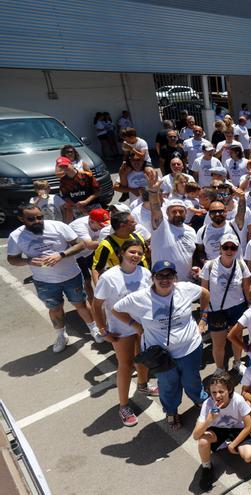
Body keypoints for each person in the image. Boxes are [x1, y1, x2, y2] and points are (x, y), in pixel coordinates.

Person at [112, 260, 210, 430]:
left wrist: (203, 319)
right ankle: (171, 411)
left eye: (169, 275)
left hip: (190, 348)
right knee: (167, 385)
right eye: (160, 275)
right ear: (153, 277)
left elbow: (205, 293)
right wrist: (136, 326)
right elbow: (116, 309)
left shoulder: (185, 289)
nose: (165, 279)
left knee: (192, 380)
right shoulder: (140, 298)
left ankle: (200, 401)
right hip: (161, 356)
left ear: (175, 277)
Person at [7, 204, 100, 352]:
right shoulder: (16, 236)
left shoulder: (58, 226)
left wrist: (61, 254)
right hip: (44, 282)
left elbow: (80, 245)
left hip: (71, 276)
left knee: (80, 303)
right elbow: (12, 259)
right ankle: (61, 335)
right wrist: (28, 261)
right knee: (55, 308)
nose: (37, 221)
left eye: (40, 217)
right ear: (21, 219)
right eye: (31, 219)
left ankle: (94, 329)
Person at [92, 239, 156, 426]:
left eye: (139, 253)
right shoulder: (109, 277)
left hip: (143, 326)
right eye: (132, 252)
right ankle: (124, 405)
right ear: (121, 253)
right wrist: (103, 330)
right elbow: (97, 306)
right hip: (121, 330)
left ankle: (143, 386)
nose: (136, 256)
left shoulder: (145, 273)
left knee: (143, 358)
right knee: (126, 366)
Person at [193, 371, 251, 492]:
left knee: (249, 456)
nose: (217, 396)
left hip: (237, 429)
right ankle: (206, 467)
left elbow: (248, 426)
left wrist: (233, 445)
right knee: (202, 441)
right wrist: (209, 419)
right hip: (218, 431)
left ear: (230, 390)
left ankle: (230, 444)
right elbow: (195, 436)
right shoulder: (208, 404)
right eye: (214, 392)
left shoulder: (238, 400)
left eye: (221, 392)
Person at [201, 233, 251, 373]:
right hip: (216, 310)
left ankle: (237, 362)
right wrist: (203, 316)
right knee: (219, 343)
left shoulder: (241, 265)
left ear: (237, 249)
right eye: (226, 247)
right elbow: (204, 292)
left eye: (233, 247)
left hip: (237, 307)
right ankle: (220, 368)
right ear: (220, 248)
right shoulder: (209, 266)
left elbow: (247, 289)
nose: (229, 251)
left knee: (237, 337)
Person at [58, 156, 101, 222]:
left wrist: (86, 201)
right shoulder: (63, 181)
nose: (64, 168)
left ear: (71, 164)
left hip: (93, 205)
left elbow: (98, 191)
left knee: (100, 224)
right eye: (62, 167)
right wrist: (77, 207)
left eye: (66, 166)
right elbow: (65, 197)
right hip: (77, 208)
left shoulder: (87, 175)